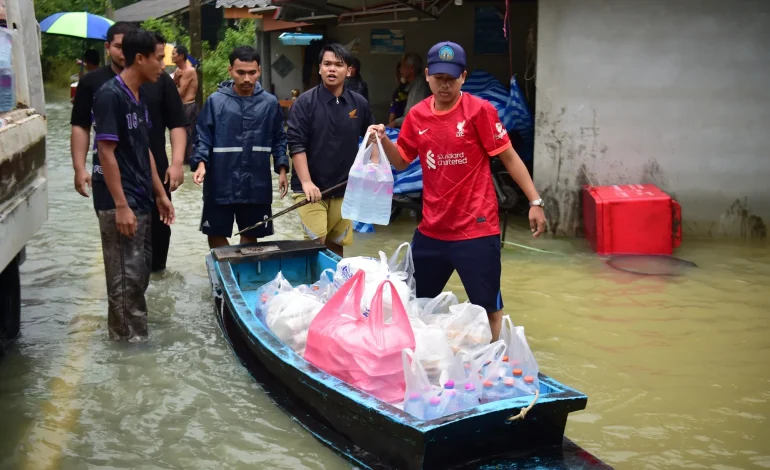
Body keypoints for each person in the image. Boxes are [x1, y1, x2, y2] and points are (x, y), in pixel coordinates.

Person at [370, 41, 547, 341]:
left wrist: (535, 200)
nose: (444, 86)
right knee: (411, 300)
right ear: (427, 76)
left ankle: (495, 361)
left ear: (463, 77)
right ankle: (416, 358)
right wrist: (383, 140)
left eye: (451, 79)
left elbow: (509, 156)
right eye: (439, 78)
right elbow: (401, 162)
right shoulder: (416, 116)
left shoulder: (480, 111)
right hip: (432, 230)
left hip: (476, 230)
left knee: (489, 307)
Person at [70, 22, 187, 273]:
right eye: (119, 47)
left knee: (154, 244)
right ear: (108, 47)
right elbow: (82, 128)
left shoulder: (155, 82)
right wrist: (79, 168)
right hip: (114, 177)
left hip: (152, 173)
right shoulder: (99, 86)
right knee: (124, 253)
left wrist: (177, 164)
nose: (124, 53)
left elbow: (176, 123)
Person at [91, 29, 175, 342]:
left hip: (142, 200)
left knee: (138, 277)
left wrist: (160, 193)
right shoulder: (110, 95)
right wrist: (121, 205)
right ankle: (129, 351)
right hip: (120, 203)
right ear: (139, 58)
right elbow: (106, 152)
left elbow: (146, 150)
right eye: (158, 58)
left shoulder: (139, 96)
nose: (163, 65)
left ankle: (134, 340)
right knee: (125, 284)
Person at [190, 46, 289, 249]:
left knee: (251, 234)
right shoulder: (215, 102)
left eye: (252, 73)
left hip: (256, 183)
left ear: (259, 71)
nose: (246, 79)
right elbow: (202, 137)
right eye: (240, 72)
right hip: (219, 182)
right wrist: (200, 163)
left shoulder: (269, 103)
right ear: (230, 71)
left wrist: (282, 169)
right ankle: (226, 273)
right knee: (215, 232)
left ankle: (242, 275)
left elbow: (279, 138)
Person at [286, 43, 374, 256]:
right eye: (327, 64)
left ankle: (335, 288)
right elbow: (296, 145)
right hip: (310, 190)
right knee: (317, 245)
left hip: (345, 189)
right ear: (319, 68)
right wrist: (307, 183)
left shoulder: (359, 103)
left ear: (349, 70)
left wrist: (372, 169)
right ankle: (312, 287)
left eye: (338, 65)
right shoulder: (305, 103)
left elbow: (371, 139)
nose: (332, 69)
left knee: (336, 248)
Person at [388, 52, 431, 128]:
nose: (400, 69)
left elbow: (413, 115)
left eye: (402, 66)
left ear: (411, 69)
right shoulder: (413, 85)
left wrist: (395, 123)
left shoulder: (419, 86)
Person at [172, 44, 199, 164]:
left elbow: (180, 93)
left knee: (188, 135)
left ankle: (190, 161)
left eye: (174, 54)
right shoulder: (179, 71)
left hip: (188, 106)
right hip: (182, 106)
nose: (172, 56)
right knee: (182, 135)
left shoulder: (189, 70)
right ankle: (183, 161)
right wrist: (176, 80)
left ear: (181, 56)